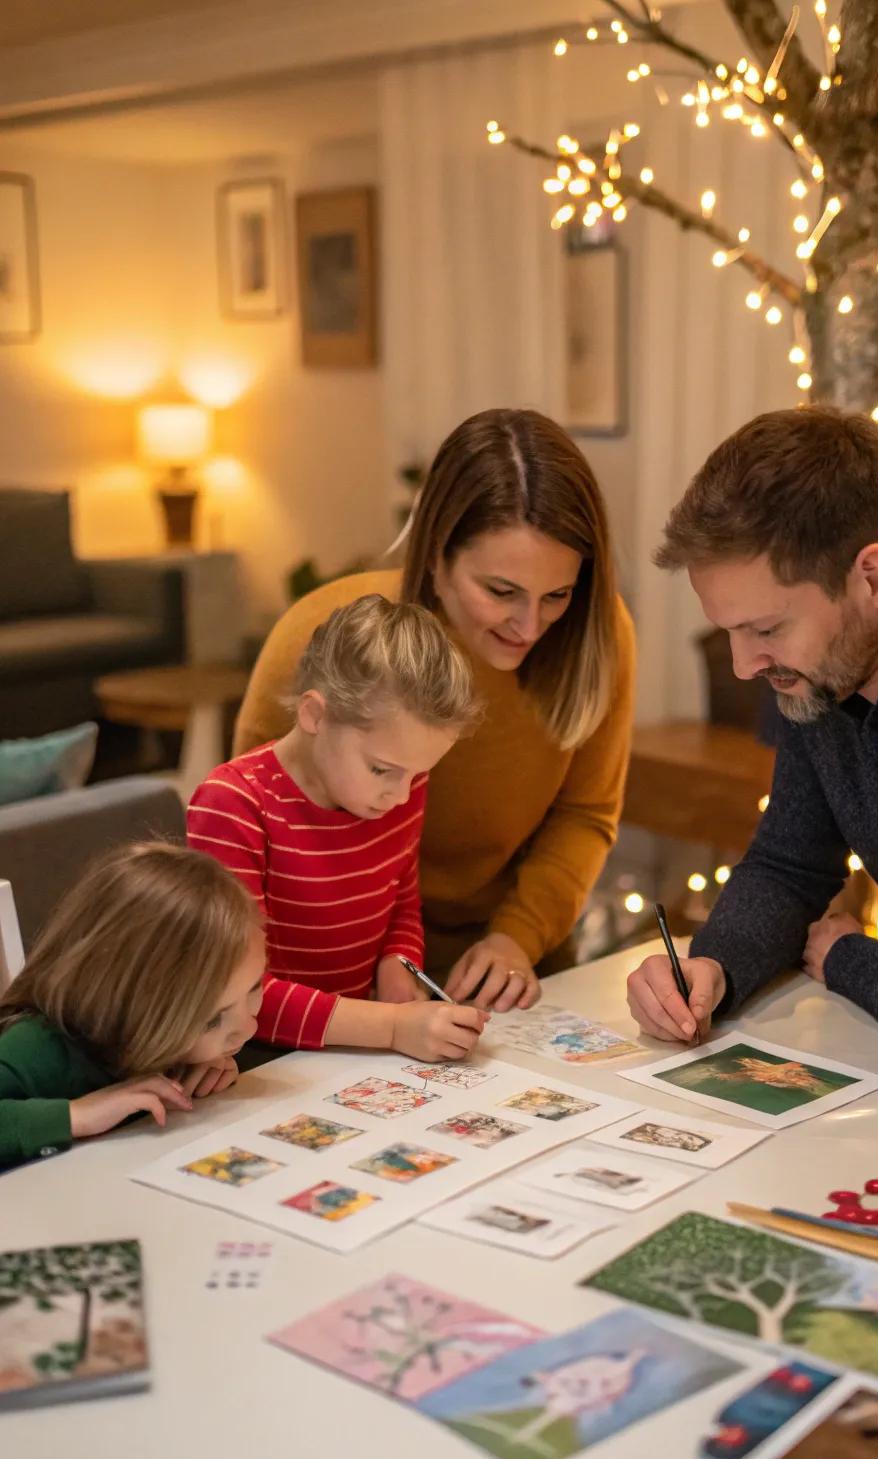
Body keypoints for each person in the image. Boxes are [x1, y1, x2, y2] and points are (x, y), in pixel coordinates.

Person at [626, 405, 878, 1084]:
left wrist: (847, 957)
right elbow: (791, 861)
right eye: (730, 631)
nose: (744, 665)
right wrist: (712, 967)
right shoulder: (830, 663)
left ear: (875, 578)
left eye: (766, 629)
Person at [233, 408, 636, 1011]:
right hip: (335, 981)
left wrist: (517, 938)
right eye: (500, 591)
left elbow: (585, 813)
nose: (530, 626)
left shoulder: (596, 636)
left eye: (557, 594)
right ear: (434, 555)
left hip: (511, 968)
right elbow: (253, 835)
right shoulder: (320, 638)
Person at [188, 594, 488, 1058]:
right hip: (256, 1059)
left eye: (419, 774)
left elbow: (401, 900)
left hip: (349, 1053)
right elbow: (228, 996)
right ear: (314, 714)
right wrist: (392, 1027)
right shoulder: (233, 805)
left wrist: (399, 964)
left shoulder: (397, 787)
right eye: (381, 769)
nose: (401, 795)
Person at [0, 843, 265, 1169]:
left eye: (255, 987)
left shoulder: (161, 1037)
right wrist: (75, 1115)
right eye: (212, 1020)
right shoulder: (36, 1047)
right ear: (132, 1008)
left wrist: (200, 1069)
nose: (248, 1028)